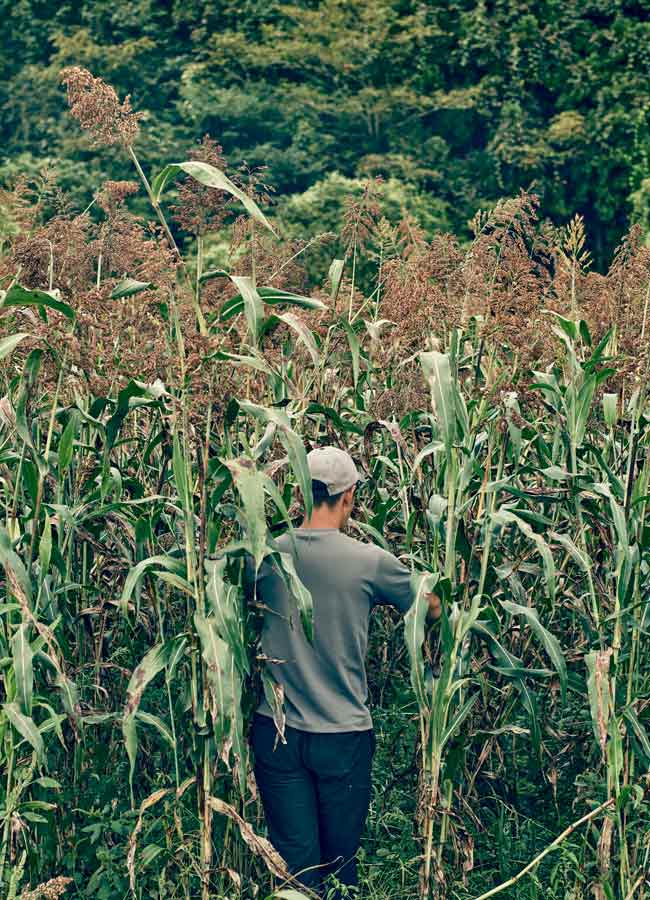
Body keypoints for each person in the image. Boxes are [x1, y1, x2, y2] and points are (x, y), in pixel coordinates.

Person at [248, 446, 441, 898]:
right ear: (349, 496)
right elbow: (431, 607)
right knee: (339, 870)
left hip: (276, 733)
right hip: (342, 737)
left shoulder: (266, 556)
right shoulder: (369, 561)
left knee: (295, 870)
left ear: (301, 491)